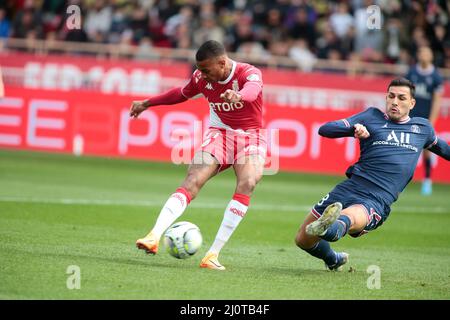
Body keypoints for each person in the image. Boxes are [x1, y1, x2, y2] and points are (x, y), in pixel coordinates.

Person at [130, 40, 266, 270]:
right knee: (193, 179)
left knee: (248, 182)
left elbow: (253, 91)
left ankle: (212, 254)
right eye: (199, 70)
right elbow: (180, 94)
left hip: (252, 136)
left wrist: (239, 96)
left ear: (222, 63)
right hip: (220, 134)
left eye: (205, 70)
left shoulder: (248, 73)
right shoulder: (201, 79)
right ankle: (154, 235)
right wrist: (147, 103)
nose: (201, 75)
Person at [295, 77, 450, 271]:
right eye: (391, 96)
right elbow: (325, 129)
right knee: (302, 239)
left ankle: (330, 228)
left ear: (412, 103)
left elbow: (445, 150)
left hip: (378, 197)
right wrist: (353, 129)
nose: (395, 102)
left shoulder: (422, 128)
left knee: (348, 217)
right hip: (350, 187)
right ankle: (333, 258)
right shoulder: (371, 117)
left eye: (401, 98)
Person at [405, 46, 444, 195]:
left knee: (427, 150)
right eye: (421, 52)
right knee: (406, 147)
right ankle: (403, 178)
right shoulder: (412, 72)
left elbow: (437, 101)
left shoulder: (435, 76)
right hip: (410, 117)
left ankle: (427, 180)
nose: (423, 55)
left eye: (426, 53)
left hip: (425, 118)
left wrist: (431, 121)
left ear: (431, 56)